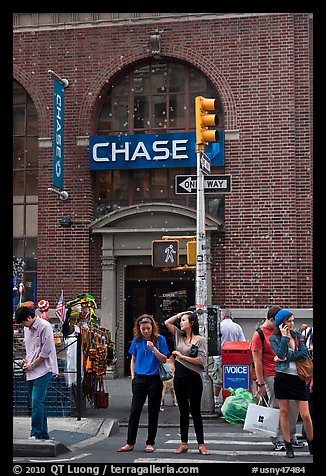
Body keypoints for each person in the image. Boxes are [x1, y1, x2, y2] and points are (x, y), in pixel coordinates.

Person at [250, 306, 304, 452]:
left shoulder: (282, 331)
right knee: (276, 406)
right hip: (270, 374)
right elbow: (257, 361)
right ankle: (277, 438)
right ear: (273, 320)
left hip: (288, 372)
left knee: (292, 406)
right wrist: (260, 383)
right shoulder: (259, 334)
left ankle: (291, 435)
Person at [117, 314, 169, 453]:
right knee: (135, 411)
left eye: (148, 328)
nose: (146, 331)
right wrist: (133, 377)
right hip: (140, 378)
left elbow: (164, 359)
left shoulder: (160, 340)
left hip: (155, 378)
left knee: (153, 411)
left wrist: (153, 349)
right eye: (143, 329)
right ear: (138, 329)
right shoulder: (136, 340)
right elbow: (133, 360)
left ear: (152, 327)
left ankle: (150, 442)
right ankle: (130, 442)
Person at [164, 310, 210, 455]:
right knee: (183, 411)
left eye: (184, 320)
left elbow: (201, 361)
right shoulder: (178, 336)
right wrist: (180, 313)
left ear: (192, 323)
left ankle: (201, 444)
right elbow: (167, 323)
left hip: (194, 378)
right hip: (180, 378)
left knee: (195, 411)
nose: (181, 322)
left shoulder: (200, 340)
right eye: (181, 320)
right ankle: (183, 443)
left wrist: (181, 356)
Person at [269, 309, 313, 458]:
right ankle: (288, 445)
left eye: (293, 320)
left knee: (306, 415)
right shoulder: (274, 338)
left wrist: (287, 357)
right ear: (281, 323)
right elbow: (280, 353)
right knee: (284, 412)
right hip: (282, 378)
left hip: (298, 379)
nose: (292, 324)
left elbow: (304, 354)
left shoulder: (298, 335)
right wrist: (285, 338)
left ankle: (311, 442)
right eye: (289, 321)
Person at [15, 305, 59, 440]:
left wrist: (32, 364)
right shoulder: (27, 328)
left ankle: (36, 433)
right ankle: (43, 433)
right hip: (32, 368)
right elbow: (30, 350)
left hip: (44, 369)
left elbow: (46, 352)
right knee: (38, 402)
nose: (24, 326)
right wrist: (26, 361)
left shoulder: (45, 327)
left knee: (36, 402)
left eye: (24, 323)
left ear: (29, 317)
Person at [212, 308, 246, 410]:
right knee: (232, 380)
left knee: (217, 380)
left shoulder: (219, 327)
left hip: (220, 357)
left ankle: (216, 400)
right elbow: (242, 342)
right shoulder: (237, 327)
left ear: (222, 316)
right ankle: (232, 399)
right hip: (234, 358)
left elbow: (214, 342)